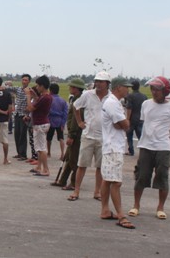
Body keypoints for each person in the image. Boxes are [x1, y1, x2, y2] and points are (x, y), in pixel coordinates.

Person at [128, 76, 170, 220]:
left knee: (162, 176)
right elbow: (145, 122)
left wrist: (165, 139)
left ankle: (160, 207)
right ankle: (136, 205)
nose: (154, 92)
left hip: (163, 147)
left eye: (157, 89)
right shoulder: (146, 104)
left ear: (165, 91)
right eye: (152, 89)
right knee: (141, 176)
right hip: (146, 146)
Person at [68, 71, 111, 201]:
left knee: (100, 167)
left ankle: (97, 192)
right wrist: (80, 122)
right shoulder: (87, 95)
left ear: (107, 83)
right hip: (88, 135)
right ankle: (76, 191)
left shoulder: (111, 98)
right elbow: (76, 106)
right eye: (96, 81)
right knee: (82, 165)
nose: (97, 84)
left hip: (103, 137)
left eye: (101, 81)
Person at [100, 77, 135, 229]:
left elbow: (121, 124)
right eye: (126, 87)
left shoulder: (112, 102)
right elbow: (126, 124)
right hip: (114, 147)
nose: (128, 90)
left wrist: (121, 123)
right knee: (116, 182)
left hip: (111, 145)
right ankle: (121, 215)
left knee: (107, 180)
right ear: (119, 87)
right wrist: (124, 121)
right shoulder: (113, 103)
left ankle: (105, 210)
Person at [52, 78, 85, 190]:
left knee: (73, 159)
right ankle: (62, 180)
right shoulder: (75, 99)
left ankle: (74, 183)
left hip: (76, 134)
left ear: (76, 88)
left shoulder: (79, 101)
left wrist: (71, 135)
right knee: (68, 158)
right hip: (74, 132)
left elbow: (76, 120)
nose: (69, 88)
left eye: (71, 87)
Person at [26, 75, 53, 176]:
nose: (36, 88)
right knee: (39, 147)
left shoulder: (45, 97)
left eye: (38, 85)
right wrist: (34, 96)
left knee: (41, 148)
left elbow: (30, 108)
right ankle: (39, 167)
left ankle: (46, 169)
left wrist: (28, 97)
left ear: (42, 86)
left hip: (40, 124)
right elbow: (38, 103)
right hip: (42, 123)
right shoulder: (46, 97)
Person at [6, 74, 31, 161]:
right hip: (17, 114)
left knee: (22, 135)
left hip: (24, 115)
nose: (24, 81)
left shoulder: (30, 91)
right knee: (17, 134)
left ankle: (23, 154)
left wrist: (27, 115)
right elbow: (8, 88)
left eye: (26, 80)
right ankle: (19, 153)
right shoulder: (18, 89)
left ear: (29, 82)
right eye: (23, 80)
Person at [125, 80, 147, 156]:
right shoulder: (144, 96)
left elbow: (129, 108)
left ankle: (131, 150)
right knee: (140, 136)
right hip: (141, 118)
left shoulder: (130, 96)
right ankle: (144, 151)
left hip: (132, 118)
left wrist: (127, 119)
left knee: (129, 135)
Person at [47, 83, 68, 160]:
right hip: (60, 120)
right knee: (61, 138)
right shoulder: (63, 100)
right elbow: (66, 113)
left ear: (51, 90)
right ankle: (62, 153)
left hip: (50, 120)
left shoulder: (49, 99)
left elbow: (47, 111)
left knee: (49, 138)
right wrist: (63, 123)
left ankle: (49, 152)